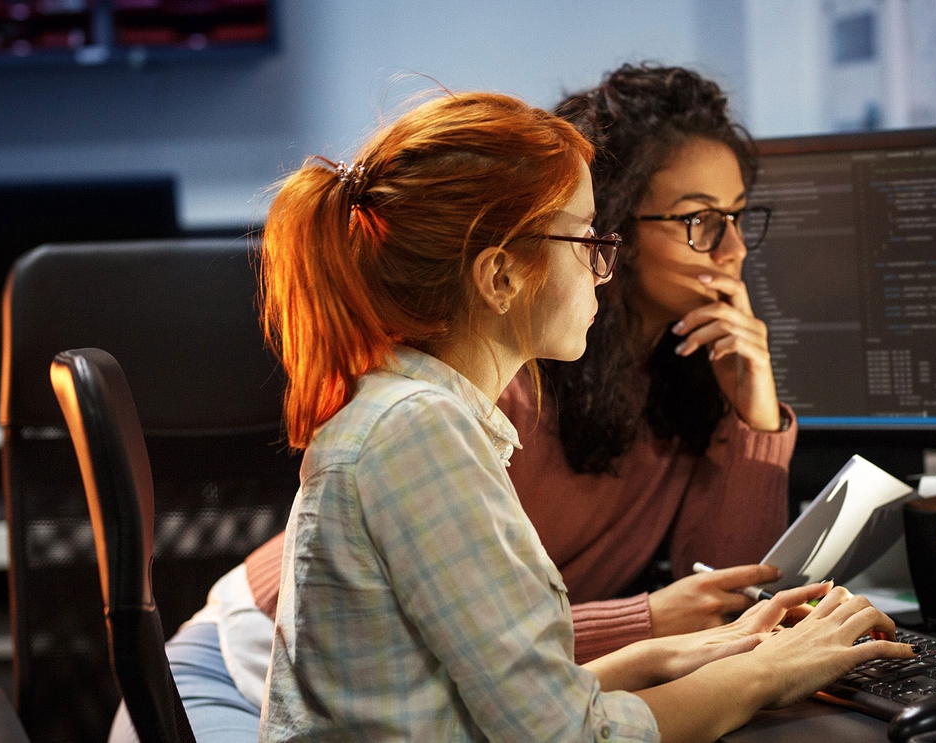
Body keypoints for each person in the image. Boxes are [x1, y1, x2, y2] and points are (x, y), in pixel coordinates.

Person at [108, 65, 815, 742]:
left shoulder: (458, 401)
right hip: (236, 668)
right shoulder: (448, 412)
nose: (733, 253)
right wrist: (709, 651)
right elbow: (544, 705)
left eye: (738, 218)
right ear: (504, 275)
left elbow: (500, 675)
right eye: (589, 238)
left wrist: (752, 420)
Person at [249, 88, 912, 741]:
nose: (603, 265)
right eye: (587, 238)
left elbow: (501, 693)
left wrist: (697, 650)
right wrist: (768, 673)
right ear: (501, 277)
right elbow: (571, 733)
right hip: (235, 654)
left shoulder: (429, 412)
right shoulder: (423, 428)